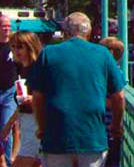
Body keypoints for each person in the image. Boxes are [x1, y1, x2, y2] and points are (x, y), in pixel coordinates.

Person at [27, 12, 125, 167]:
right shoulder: (103, 54)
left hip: (56, 137)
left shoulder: (48, 53)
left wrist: (42, 127)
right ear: (89, 32)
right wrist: (115, 126)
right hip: (92, 136)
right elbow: (118, 97)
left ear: (65, 33)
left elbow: (38, 97)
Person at [8, 31, 43, 167]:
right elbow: (20, 103)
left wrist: (33, 98)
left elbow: (50, 94)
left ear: (30, 47)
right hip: (25, 121)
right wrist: (9, 125)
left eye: (20, 47)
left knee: (21, 163)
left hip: (37, 120)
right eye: (13, 47)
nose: (16, 51)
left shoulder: (39, 68)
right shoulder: (19, 68)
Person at [98, 40, 124, 167]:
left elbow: (117, 100)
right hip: (107, 128)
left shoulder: (112, 73)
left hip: (107, 127)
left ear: (110, 52)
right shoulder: (115, 72)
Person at [0, 14, 17, 167]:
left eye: (8, 26)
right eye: (3, 26)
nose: (7, 29)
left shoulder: (15, 45)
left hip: (9, 92)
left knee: (6, 126)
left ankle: (7, 161)